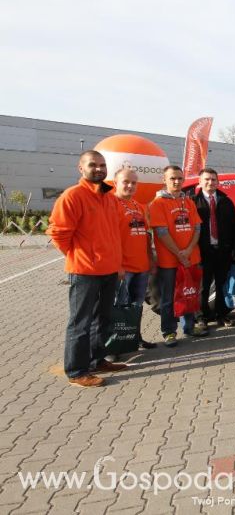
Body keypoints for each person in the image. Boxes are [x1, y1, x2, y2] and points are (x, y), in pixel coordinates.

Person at [47, 150, 127, 387]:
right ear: (81, 168)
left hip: (110, 270)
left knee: (102, 318)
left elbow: (114, 235)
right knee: (80, 323)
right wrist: (80, 256)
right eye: (93, 165)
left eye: (102, 165)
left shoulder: (110, 197)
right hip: (84, 272)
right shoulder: (73, 196)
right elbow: (58, 233)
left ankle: (97, 359)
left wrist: (118, 263)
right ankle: (76, 371)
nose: (99, 169)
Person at [149, 165, 207, 346]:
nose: (176, 181)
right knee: (169, 298)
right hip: (169, 261)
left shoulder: (188, 202)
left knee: (189, 294)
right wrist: (179, 253)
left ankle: (189, 327)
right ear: (164, 180)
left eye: (180, 178)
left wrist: (188, 250)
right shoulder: (157, 204)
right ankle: (168, 331)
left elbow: (197, 228)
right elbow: (161, 232)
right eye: (172, 178)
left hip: (191, 258)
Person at [113, 167, 157, 350]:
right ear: (115, 183)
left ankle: (134, 338)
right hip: (123, 268)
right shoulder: (110, 204)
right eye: (126, 182)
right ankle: (114, 344)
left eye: (133, 182)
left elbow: (146, 235)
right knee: (119, 308)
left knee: (136, 307)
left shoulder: (139, 206)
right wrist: (117, 265)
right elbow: (108, 238)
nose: (130, 186)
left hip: (141, 267)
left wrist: (151, 260)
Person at [192, 168, 235, 330]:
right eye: (207, 179)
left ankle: (221, 314)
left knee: (221, 285)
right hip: (203, 251)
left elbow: (234, 226)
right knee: (203, 287)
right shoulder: (193, 202)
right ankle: (201, 317)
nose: (210, 182)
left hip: (222, 251)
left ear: (218, 182)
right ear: (200, 182)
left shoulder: (226, 201)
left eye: (213, 179)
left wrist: (234, 249)